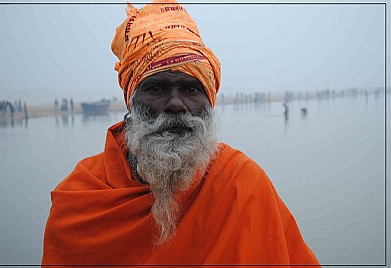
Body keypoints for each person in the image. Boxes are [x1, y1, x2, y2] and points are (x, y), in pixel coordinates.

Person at [42, 1, 320, 266]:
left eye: (190, 89)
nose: (175, 104)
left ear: (209, 103)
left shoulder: (242, 185)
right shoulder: (80, 203)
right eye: (157, 88)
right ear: (131, 101)